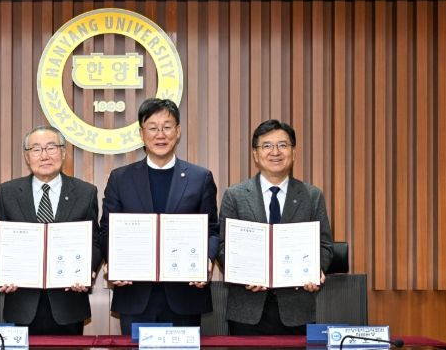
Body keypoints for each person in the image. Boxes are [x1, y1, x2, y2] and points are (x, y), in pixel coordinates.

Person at [100, 98, 220, 335]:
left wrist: (206, 259)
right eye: (153, 128)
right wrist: (113, 261)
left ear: (178, 131)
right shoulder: (120, 178)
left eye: (167, 127)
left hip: (185, 294)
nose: (160, 134)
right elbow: (107, 230)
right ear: (141, 133)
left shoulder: (200, 178)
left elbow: (212, 230)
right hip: (135, 293)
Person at [218, 119, 333, 335]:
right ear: (255, 154)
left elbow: (325, 245)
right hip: (246, 310)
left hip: (297, 308)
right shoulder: (235, 196)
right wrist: (243, 274)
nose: (275, 152)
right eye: (267, 146)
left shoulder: (312, 196)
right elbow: (223, 246)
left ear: (293, 152)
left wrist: (316, 269)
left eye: (282, 145)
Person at [0, 126, 102, 335]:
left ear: (63, 153)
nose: (44, 155)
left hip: (68, 303)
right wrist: (1, 273)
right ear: (27, 156)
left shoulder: (85, 192)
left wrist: (86, 273)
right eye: (36, 149)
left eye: (51, 147)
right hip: (21, 301)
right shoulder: (8, 192)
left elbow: (94, 241)